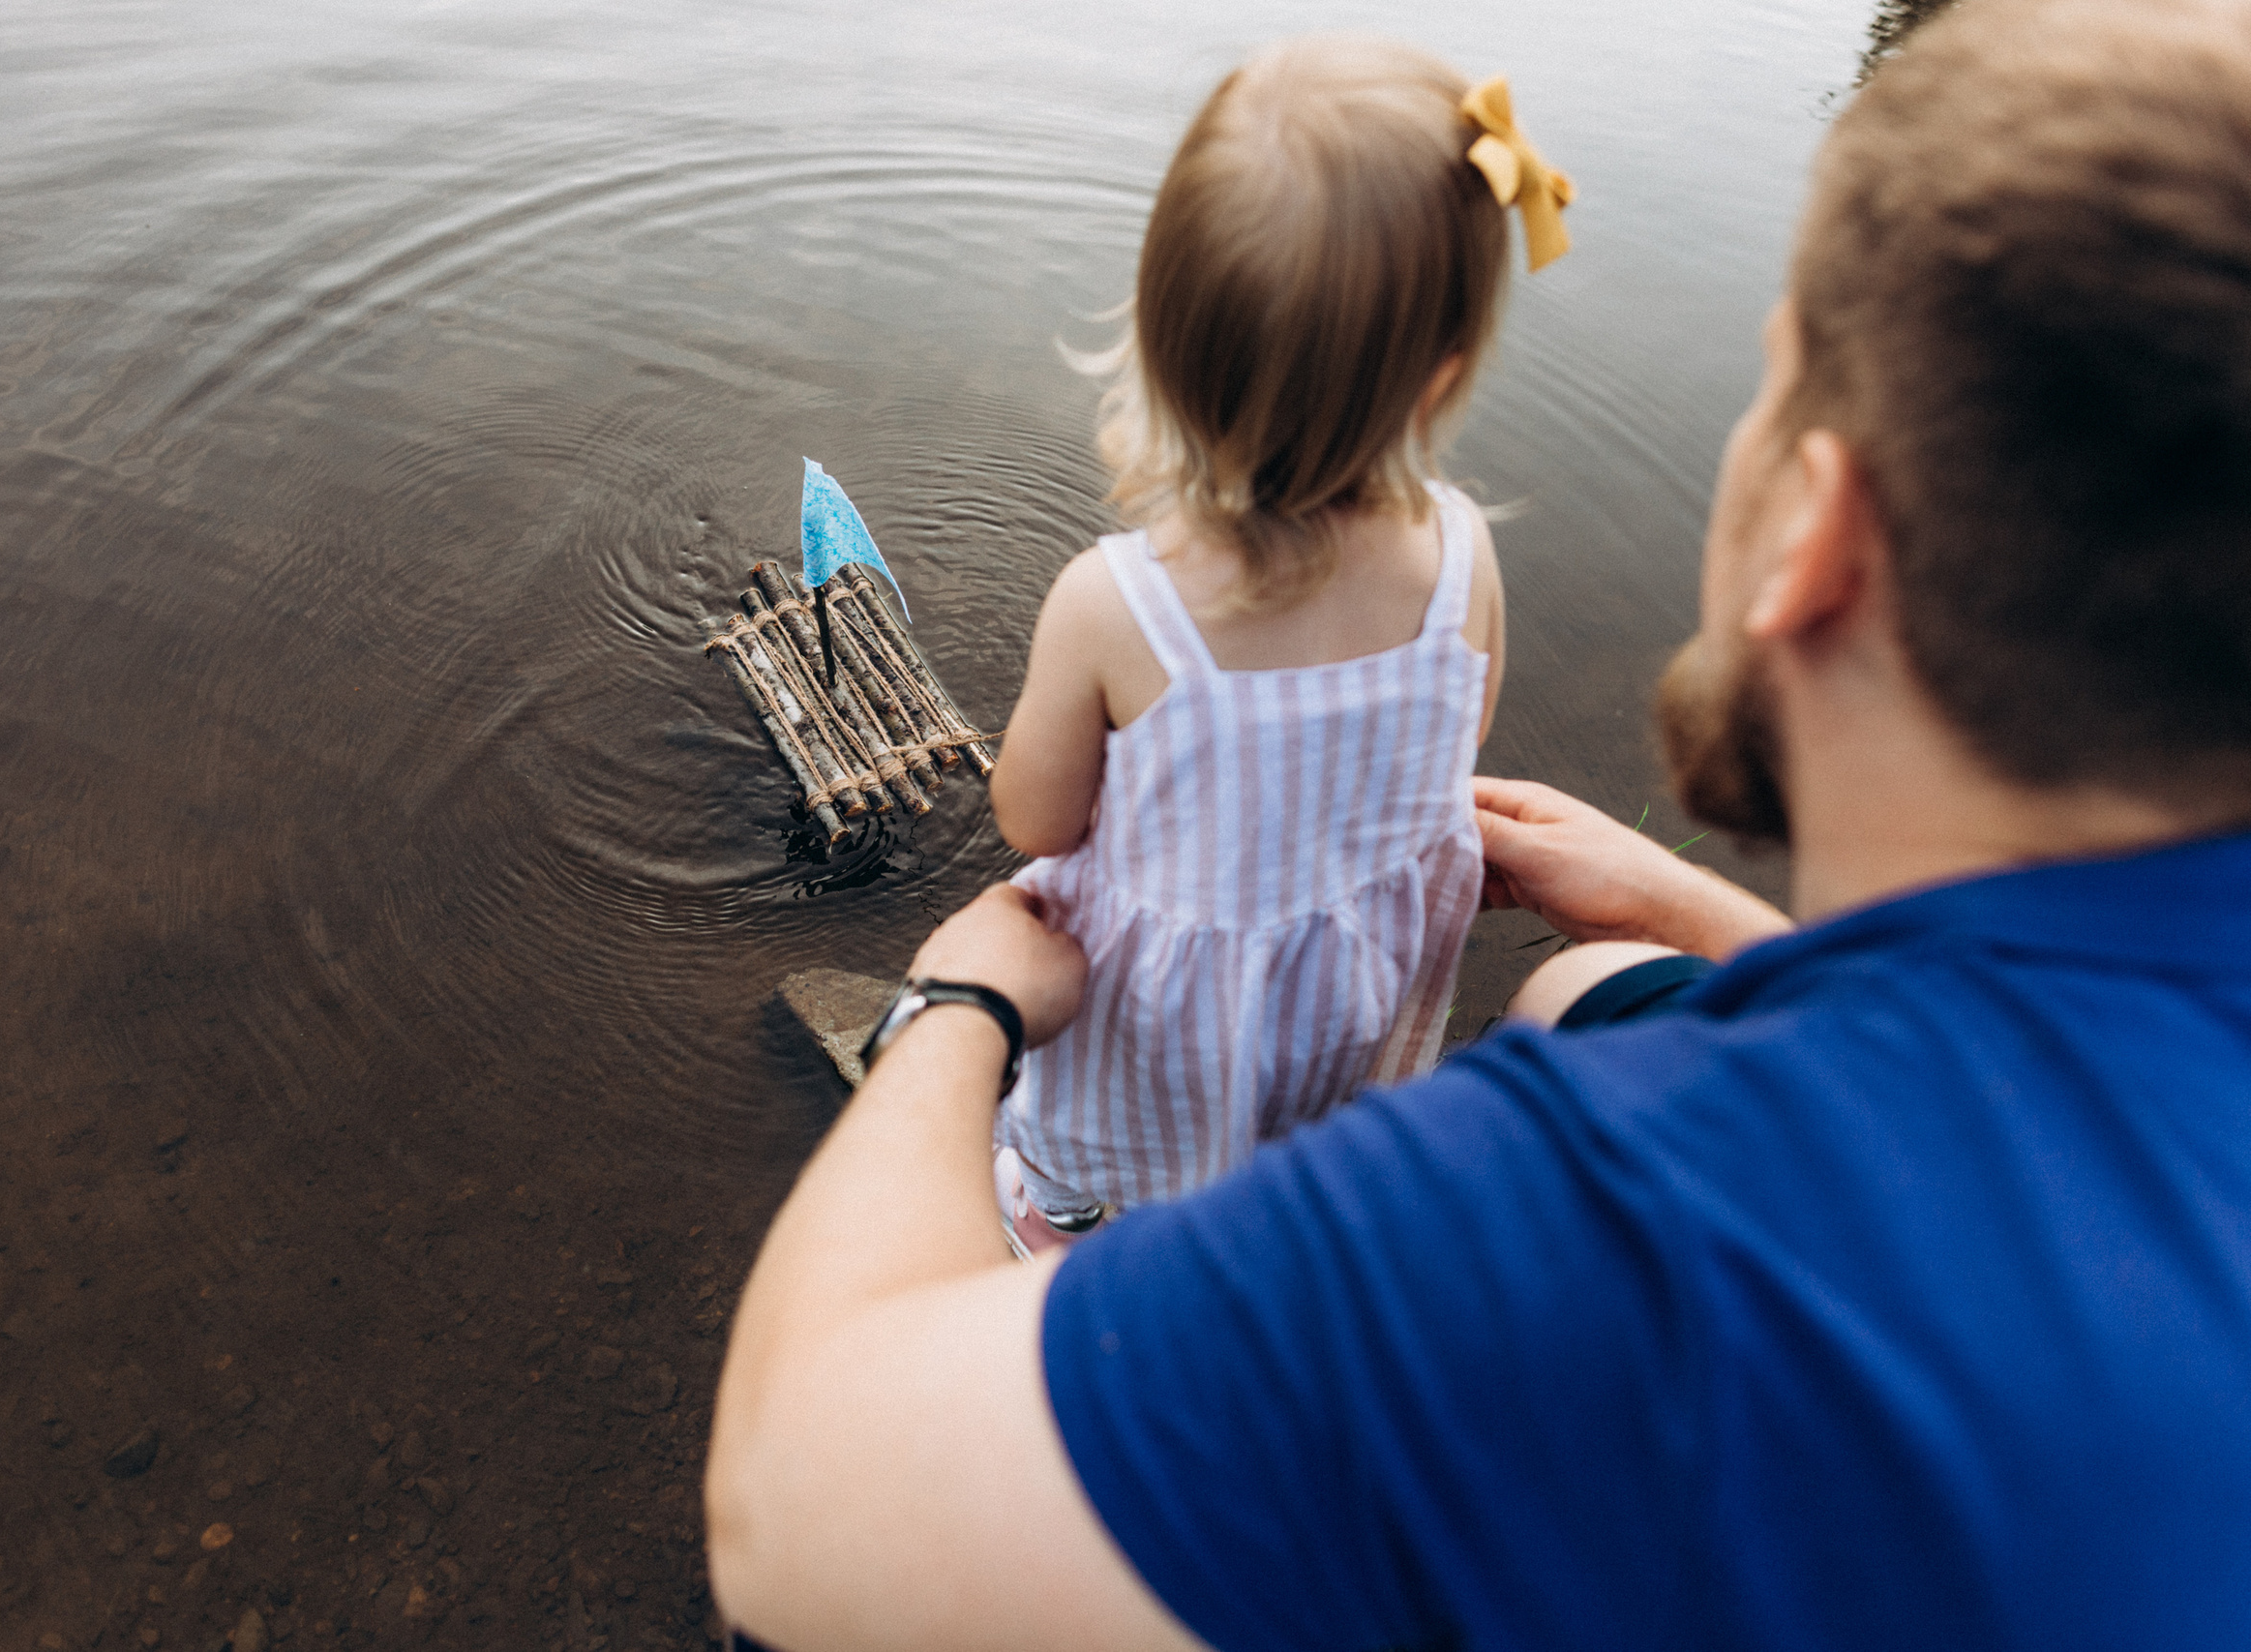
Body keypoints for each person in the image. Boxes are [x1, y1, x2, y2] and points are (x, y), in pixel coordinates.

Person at [705, 1, 2251, 1647]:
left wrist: (962, 1006)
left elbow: (786, 1509)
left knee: (1056, 1222)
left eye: (1772, 394)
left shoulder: (1539, 1212)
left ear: (1817, 528)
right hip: (1360, 990)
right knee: (1585, 992)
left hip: (1154, 1053)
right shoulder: (1462, 558)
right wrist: (1689, 906)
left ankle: (1062, 1272)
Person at [985, 38, 1552, 1253]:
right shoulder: (1461, 560)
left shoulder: (1113, 603)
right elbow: (1462, 736)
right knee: (1300, 1149)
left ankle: (1062, 1228)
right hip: (1345, 1023)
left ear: (1162, 335)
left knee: (1078, 1158)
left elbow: (1034, 819)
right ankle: (1291, 1232)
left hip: (1160, 1046)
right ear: (1439, 378)